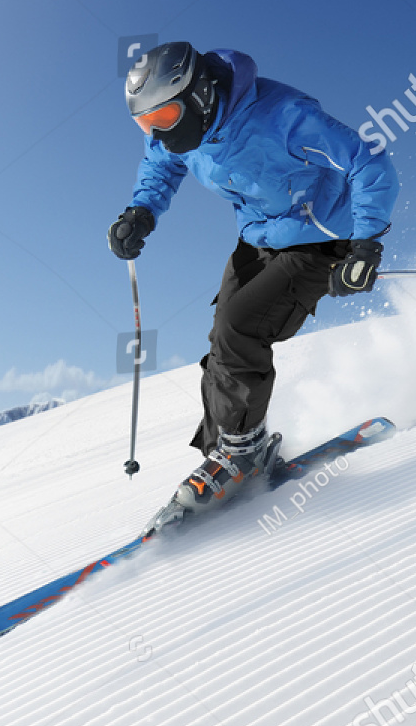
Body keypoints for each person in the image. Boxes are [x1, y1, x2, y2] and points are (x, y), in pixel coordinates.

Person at [108, 41, 398, 526]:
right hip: (259, 235)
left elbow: (369, 162)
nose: (159, 133)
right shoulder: (180, 130)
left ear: (199, 95)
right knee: (224, 333)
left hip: (321, 236)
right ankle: (235, 448)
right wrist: (141, 211)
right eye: (146, 124)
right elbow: (161, 163)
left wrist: (366, 245)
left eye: (165, 118)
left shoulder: (283, 117)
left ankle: (241, 456)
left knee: (240, 328)